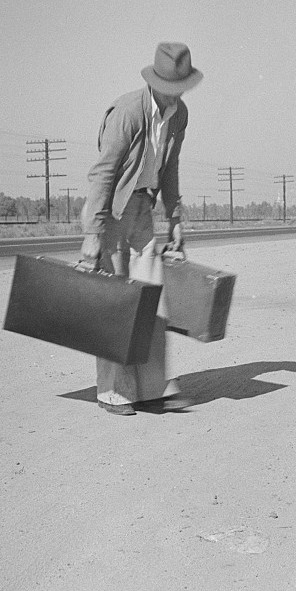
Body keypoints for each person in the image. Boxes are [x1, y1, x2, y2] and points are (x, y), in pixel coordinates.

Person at [79, 41, 202, 416]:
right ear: (155, 80)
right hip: (114, 210)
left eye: (180, 86)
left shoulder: (178, 115)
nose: (174, 92)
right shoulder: (128, 112)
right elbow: (103, 174)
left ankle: (151, 388)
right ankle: (113, 392)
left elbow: (171, 169)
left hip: (144, 208)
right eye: (168, 85)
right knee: (116, 303)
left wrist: (176, 219)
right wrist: (92, 234)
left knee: (150, 300)